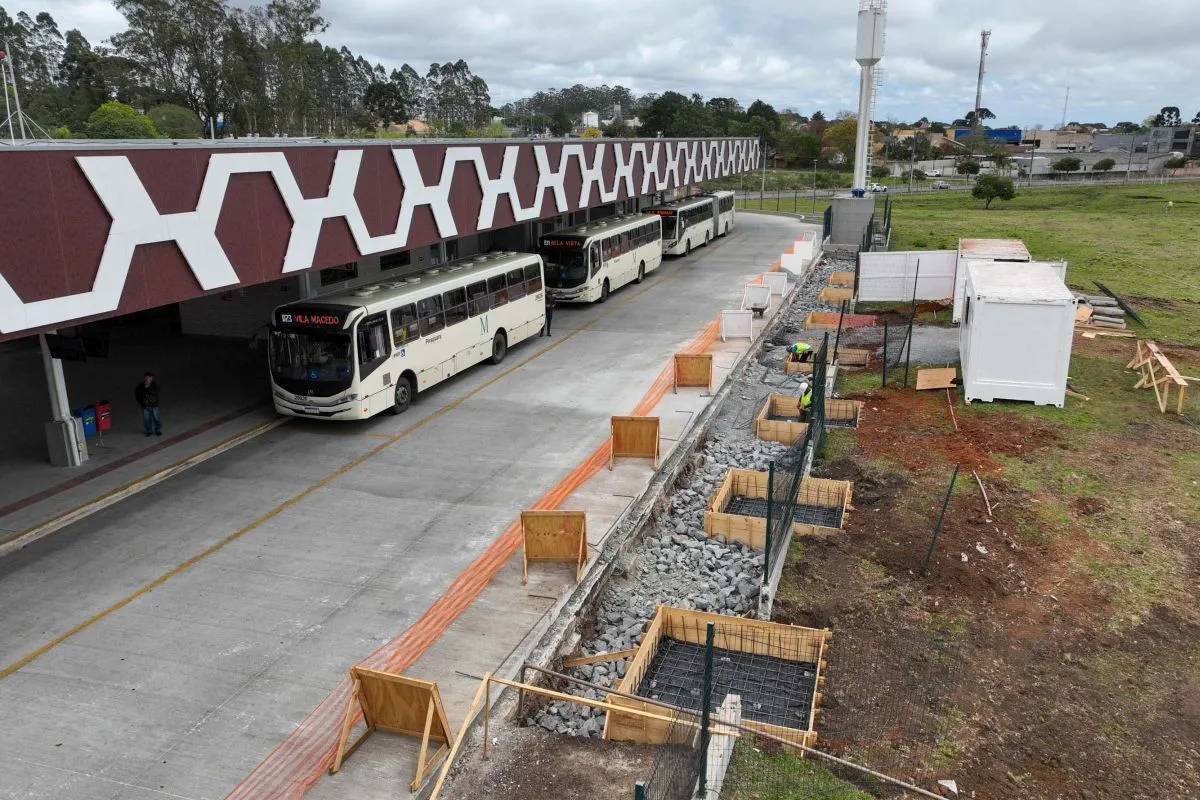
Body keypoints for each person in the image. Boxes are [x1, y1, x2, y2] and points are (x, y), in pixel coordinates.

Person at [135, 372, 162, 437]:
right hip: (145, 406)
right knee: (147, 419)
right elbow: (137, 394)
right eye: (145, 377)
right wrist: (140, 401)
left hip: (154, 405)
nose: (146, 379)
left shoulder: (154, 385)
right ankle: (149, 431)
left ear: (151, 378)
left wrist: (147, 387)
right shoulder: (141, 386)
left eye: (148, 378)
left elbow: (155, 392)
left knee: (156, 418)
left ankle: (157, 430)